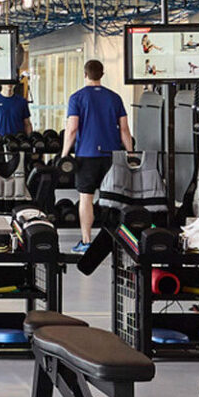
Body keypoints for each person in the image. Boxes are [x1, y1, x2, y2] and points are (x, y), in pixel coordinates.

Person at [59, 60, 132, 253]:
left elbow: (72, 128)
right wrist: (130, 153)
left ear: (85, 74)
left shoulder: (77, 97)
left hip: (87, 155)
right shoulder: (114, 98)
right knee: (113, 201)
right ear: (102, 74)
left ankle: (86, 241)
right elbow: (124, 129)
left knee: (86, 199)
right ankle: (115, 243)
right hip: (111, 156)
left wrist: (64, 154)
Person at [0, 80, 33, 146]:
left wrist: (30, 143)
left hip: (17, 143)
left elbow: (27, 124)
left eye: (11, 81)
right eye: (7, 81)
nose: (9, 84)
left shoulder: (22, 102)